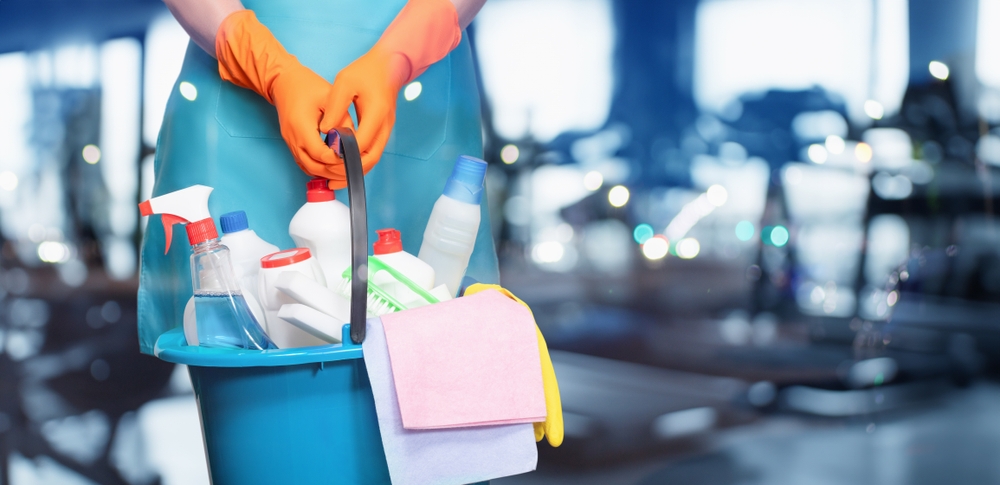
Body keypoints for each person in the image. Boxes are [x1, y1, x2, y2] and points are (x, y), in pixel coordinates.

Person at [137, 0, 498, 354]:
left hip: (418, 106)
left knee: (436, 339)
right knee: (233, 336)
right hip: (234, 101)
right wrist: (267, 65)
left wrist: (400, 56)